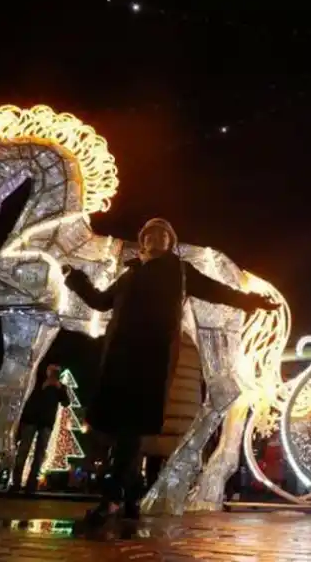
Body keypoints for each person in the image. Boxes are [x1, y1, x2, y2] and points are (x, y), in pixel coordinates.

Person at [63, 217, 278, 530]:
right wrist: (75, 277)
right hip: (119, 359)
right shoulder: (130, 273)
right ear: (144, 240)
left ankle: (111, 500)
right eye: (151, 233)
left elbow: (214, 290)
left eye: (164, 234)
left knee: (130, 430)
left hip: (150, 358)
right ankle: (131, 499)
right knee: (126, 433)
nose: (157, 237)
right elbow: (99, 302)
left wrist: (250, 301)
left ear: (171, 242)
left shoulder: (179, 270)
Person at [10, 364, 70, 493]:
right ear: (47, 371)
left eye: (57, 372)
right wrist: (43, 387)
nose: (54, 374)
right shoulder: (37, 382)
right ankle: (16, 483)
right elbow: (28, 396)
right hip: (31, 420)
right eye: (53, 371)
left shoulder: (59, 387)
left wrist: (60, 389)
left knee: (39, 454)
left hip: (46, 423)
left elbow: (66, 402)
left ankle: (31, 485)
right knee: (23, 451)